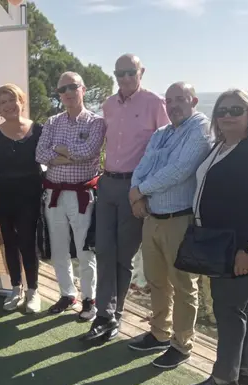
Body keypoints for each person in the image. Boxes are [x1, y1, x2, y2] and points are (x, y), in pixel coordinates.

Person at [185, 89, 248, 385]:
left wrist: (247, 250)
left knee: (228, 308)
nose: (227, 115)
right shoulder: (221, 146)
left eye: (236, 110)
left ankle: (225, 379)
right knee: (241, 306)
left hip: (243, 247)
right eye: (222, 110)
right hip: (218, 243)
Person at [82, 54, 169, 342]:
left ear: (141, 71)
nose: (126, 78)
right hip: (107, 183)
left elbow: (166, 147)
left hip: (135, 188)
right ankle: (104, 314)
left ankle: (113, 315)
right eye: (120, 73)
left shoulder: (155, 104)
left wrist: (146, 190)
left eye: (131, 72)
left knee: (123, 255)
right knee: (104, 250)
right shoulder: (108, 104)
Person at [126, 82, 211, 369]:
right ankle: (160, 332)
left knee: (184, 285)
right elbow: (143, 165)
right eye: (169, 100)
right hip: (153, 218)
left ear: (193, 101)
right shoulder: (162, 133)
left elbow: (180, 169)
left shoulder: (200, 128)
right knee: (156, 280)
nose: (173, 105)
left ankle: (182, 343)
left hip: (180, 220)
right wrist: (136, 193)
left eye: (180, 99)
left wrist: (141, 190)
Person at [35, 71, 105, 320]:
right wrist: (67, 153)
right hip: (54, 194)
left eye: (71, 87)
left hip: (82, 194)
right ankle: (67, 293)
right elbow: (40, 154)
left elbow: (89, 150)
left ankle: (90, 299)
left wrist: (60, 153)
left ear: (83, 89)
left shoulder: (96, 122)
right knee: (59, 249)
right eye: (62, 90)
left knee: (85, 251)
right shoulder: (53, 122)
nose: (66, 93)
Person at [0, 84, 44, 313]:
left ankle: (33, 291)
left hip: (31, 198)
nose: (8, 105)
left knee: (28, 243)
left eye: (11, 100)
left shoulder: (38, 130)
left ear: (21, 101)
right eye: (2, 102)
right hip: (3, 199)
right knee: (10, 243)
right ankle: (16, 288)